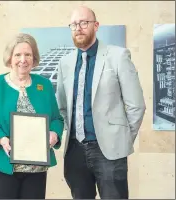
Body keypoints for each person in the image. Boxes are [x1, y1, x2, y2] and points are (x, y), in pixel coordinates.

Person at [56, 6, 146, 199]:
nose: (79, 28)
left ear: (96, 26)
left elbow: (136, 105)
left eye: (84, 23)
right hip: (75, 151)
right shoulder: (65, 63)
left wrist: (122, 139)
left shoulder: (118, 56)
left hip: (109, 151)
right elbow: (62, 107)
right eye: (74, 24)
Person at [0, 33, 64, 199]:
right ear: (10, 58)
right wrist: (0, 138)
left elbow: (57, 119)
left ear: (34, 57)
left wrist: (54, 133)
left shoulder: (44, 85)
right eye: (18, 55)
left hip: (36, 168)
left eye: (28, 54)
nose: (23, 59)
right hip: (1, 164)